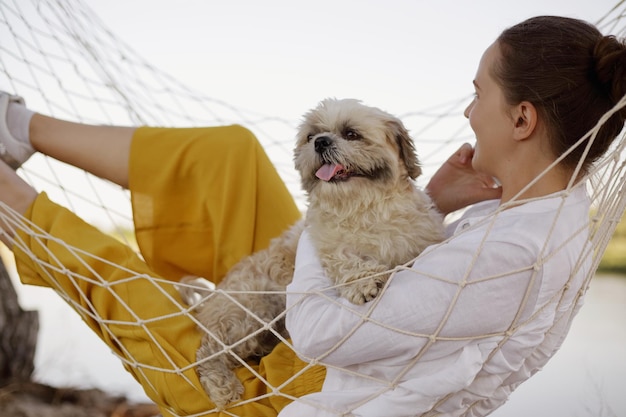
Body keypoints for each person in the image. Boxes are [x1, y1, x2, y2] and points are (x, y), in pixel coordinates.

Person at [0, 14, 623, 417]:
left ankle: (8, 195)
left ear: (522, 119)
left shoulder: (516, 256)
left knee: (135, 295)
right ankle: (19, 127)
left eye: (478, 92)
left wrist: (322, 216)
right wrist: (430, 198)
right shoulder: (532, 206)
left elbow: (323, 331)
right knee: (232, 155)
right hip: (334, 311)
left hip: (308, 392)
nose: (467, 111)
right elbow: (411, 269)